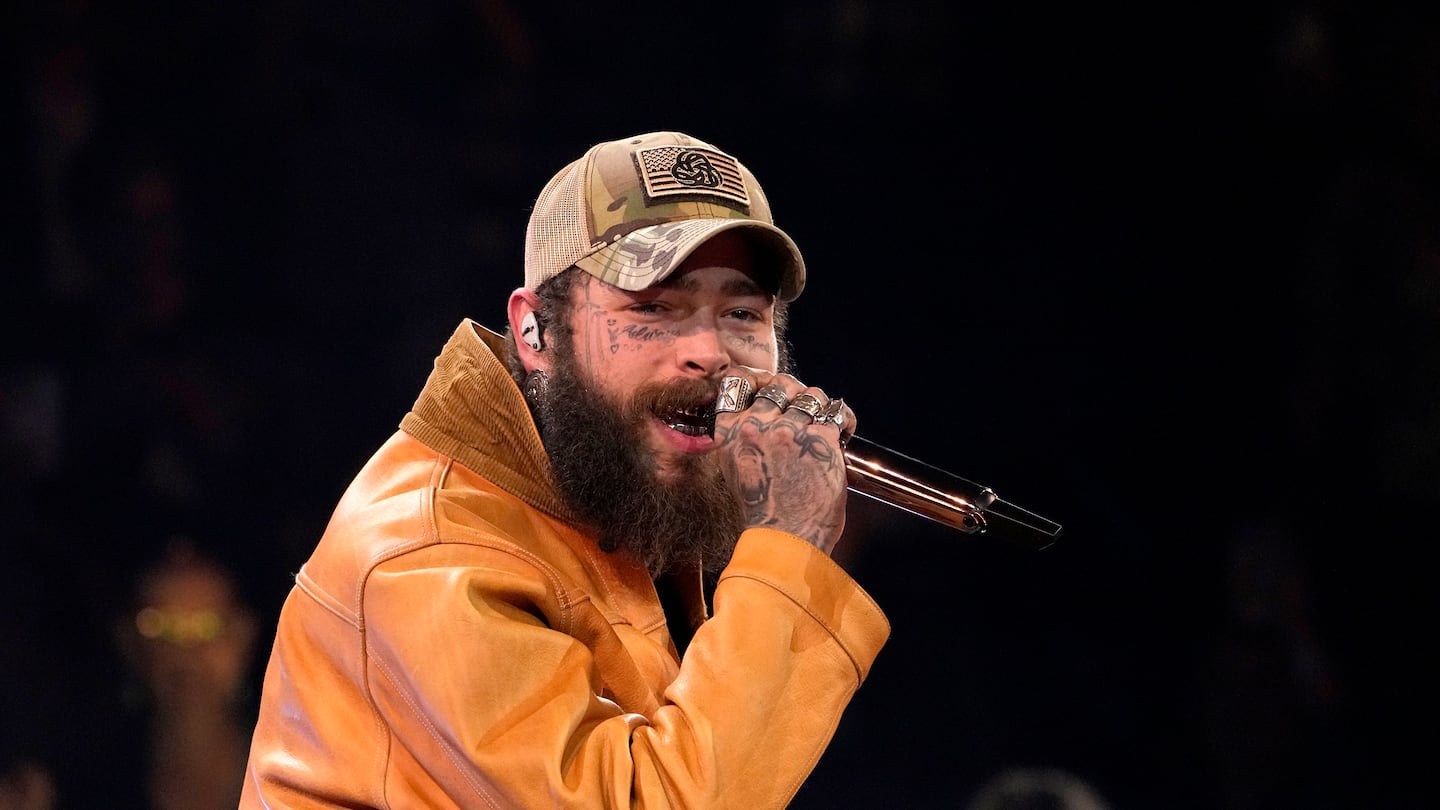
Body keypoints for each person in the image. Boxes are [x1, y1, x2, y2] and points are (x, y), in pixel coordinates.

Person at [241, 131, 890, 808]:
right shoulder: (430, 555)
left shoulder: (619, 497)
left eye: (741, 313)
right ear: (534, 334)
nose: (709, 351)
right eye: (653, 308)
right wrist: (788, 542)